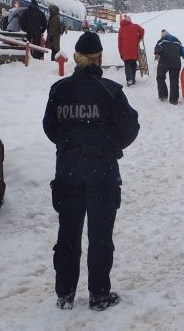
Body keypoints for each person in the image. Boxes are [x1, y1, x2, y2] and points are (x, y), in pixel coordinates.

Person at [43, 31, 140, 311]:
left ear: (76, 58)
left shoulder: (59, 90)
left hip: (68, 170)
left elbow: (50, 128)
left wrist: (70, 145)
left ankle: (65, 294)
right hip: (102, 171)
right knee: (99, 235)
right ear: (98, 57)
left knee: (68, 233)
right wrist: (108, 146)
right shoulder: (110, 91)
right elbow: (130, 128)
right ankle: (98, 294)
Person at [154, 29, 184, 105]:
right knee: (174, 81)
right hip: (176, 63)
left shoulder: (162, 40)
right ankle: (174, 100)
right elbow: (183, 52)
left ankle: (163, 96)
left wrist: (157, 53)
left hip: (164, 62)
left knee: (160, 77)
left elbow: (158, 47)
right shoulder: (177, 41)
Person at [118, 15, 145, 86]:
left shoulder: (121, 28)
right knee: (133, 63)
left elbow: (119, 42)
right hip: (134, 50)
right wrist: (140, 37)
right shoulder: (135, 26)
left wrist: (120, 52)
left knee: (127, 64)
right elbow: (142, 31)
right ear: (130, 20)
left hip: (125, 50)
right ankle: (133, 78)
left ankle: (129, 79)